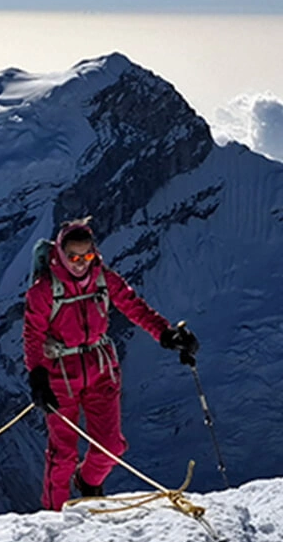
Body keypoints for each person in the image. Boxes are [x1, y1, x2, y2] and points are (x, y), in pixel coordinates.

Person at [23, 218, 198, 511]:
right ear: (61, 254)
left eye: (87, 255)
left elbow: (134, 306)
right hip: (59, 374)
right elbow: (33, 335)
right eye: (74, 257)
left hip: (100, 370)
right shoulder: (43, 290)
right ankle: (53, 517)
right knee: (62, 453)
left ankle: (88, 482)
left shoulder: (103, 279)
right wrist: (37, 376)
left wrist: (166, 334)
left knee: (111, 446)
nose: (80, 263)